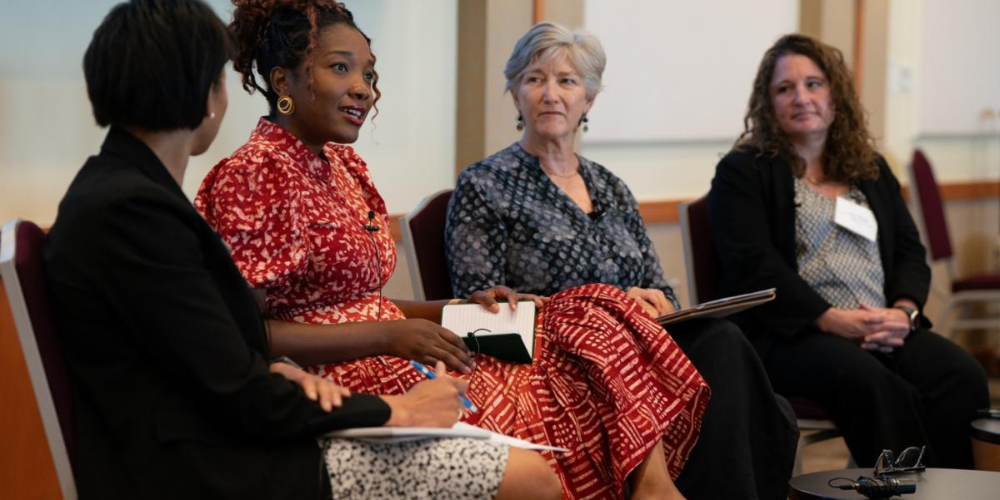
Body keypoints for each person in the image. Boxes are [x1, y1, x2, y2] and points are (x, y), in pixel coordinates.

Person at [43, 1, 559, 499]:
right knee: (534, 475)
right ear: (204, 94)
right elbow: (234, 386)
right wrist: (395, 412)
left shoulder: (122, 192)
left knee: (544, 394)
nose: (364, 89)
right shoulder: (134, 210)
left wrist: (277, 372)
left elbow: (214, 353)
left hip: (226, 429)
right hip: (212, 464)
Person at [195, 2, 710, 498]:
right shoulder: (260, 171)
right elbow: (247, 332)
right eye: (340, 68)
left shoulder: (340, 167)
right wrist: (392, 334)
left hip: (392, 349)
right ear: (283, 81)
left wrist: (455, 309)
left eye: (369, 74)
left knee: (591, 311)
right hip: (338, 380)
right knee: (571, 382)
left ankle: (654, 488)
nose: (363, 89)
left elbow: (356, 304)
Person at [445, 21, 798, 500]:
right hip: (555, 362)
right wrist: (607, 305)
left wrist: (654, 301)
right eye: (535, 79)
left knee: (722, 343)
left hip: (643, 350)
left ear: (587, 99)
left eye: (567, 81)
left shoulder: (611, 186)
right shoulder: (484, 184)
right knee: (728, 358)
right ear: (514, 94)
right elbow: (479, 302)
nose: (551, 94)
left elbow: (660, 289)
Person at [707, 33, 989, 469]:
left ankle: (955, 490)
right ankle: (910, 494)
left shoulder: (869, 168)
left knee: (961, 375)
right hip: (792, 334)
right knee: (872, 384)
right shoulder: (743, 171)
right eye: (785, 89)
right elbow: (754, 264)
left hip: (881, 326)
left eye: (814, 84)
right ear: (768, 103)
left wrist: (904, 313)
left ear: (835, 94)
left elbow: (911, 251)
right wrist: (830, 319)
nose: (801, 97)